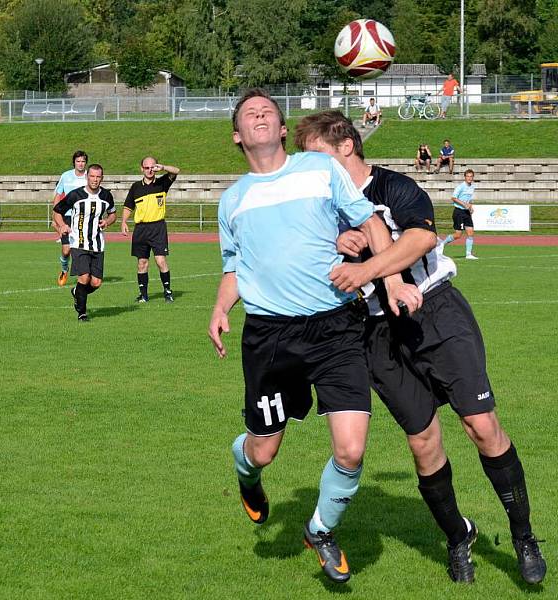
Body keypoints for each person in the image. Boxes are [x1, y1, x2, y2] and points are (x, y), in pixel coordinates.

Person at [294, 110, 547, 586]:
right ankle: (458, 537)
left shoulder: (393, 186)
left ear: (346, 145)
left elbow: (421, 237)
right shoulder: (320, 205)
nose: (309, 168)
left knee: (482, 426)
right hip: (375, 334)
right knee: (423, 444)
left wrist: (371, 270)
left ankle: (524, 536)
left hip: (435, 311)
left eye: (315, 156)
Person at [208, 89, 421, 585]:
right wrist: (220, 307)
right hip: (269, 336)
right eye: (249, 114)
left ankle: (321, 528)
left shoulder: (320, 170)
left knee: (351, 450)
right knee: (263, 450)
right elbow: (234, 266)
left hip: (334, 328)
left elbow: (367, 221)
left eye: (268, 111)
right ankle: (247, 476)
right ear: (239, 136)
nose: (260, 115)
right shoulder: (232, 200)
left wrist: (388, 278)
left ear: (282, 130)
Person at [52, 164, 116, 321]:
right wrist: (62, 226)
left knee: (96, 282)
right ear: (87, 177)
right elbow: (57, 211)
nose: (95, 180)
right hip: (78, 243)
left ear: (102, 178)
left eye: (98, 177)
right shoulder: (76, 195)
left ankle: (77, 293)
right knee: (84, 277)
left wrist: (107, 222)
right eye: (92, 176)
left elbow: (113, 214)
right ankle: (82, 313)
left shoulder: (106, 196)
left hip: (97, 244)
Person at [120, 157, 181, 303]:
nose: (149, 170)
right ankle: (143, 295)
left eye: (152, 167)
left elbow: (177, 171)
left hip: (157, 227)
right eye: (146, 167)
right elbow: (128, 206)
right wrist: (123, 222)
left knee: (160, 261)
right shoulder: (135, 187)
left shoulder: (162, 183)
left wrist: (164, 167)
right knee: (142, 262)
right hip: (140, 229)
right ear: (142, 169)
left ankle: (167, 292)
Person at [52, 150, 88, 286]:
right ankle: (64, 269)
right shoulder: (66, 176)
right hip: (67, 217)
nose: (80, 164)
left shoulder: (89, 176)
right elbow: (58, 195)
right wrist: (56, 214)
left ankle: (83, 275)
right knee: (66, 250)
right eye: (78, 161)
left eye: (83, 161)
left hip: (84, 218)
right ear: (74, 162)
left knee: (81, 248)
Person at [440, 169, 478, 259]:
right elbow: (453, 198)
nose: (469, 178)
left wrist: (470, 207)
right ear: (465, 177)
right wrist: (464, 204)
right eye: (468, 176)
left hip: (466, 212)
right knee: (458, 235)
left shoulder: (472, 186)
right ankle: (442, 244)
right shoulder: (460, 187)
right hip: (459, 212)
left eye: (471, 176)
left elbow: (469, 199)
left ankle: (468, 254)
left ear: (473, 177)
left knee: (470, 233)